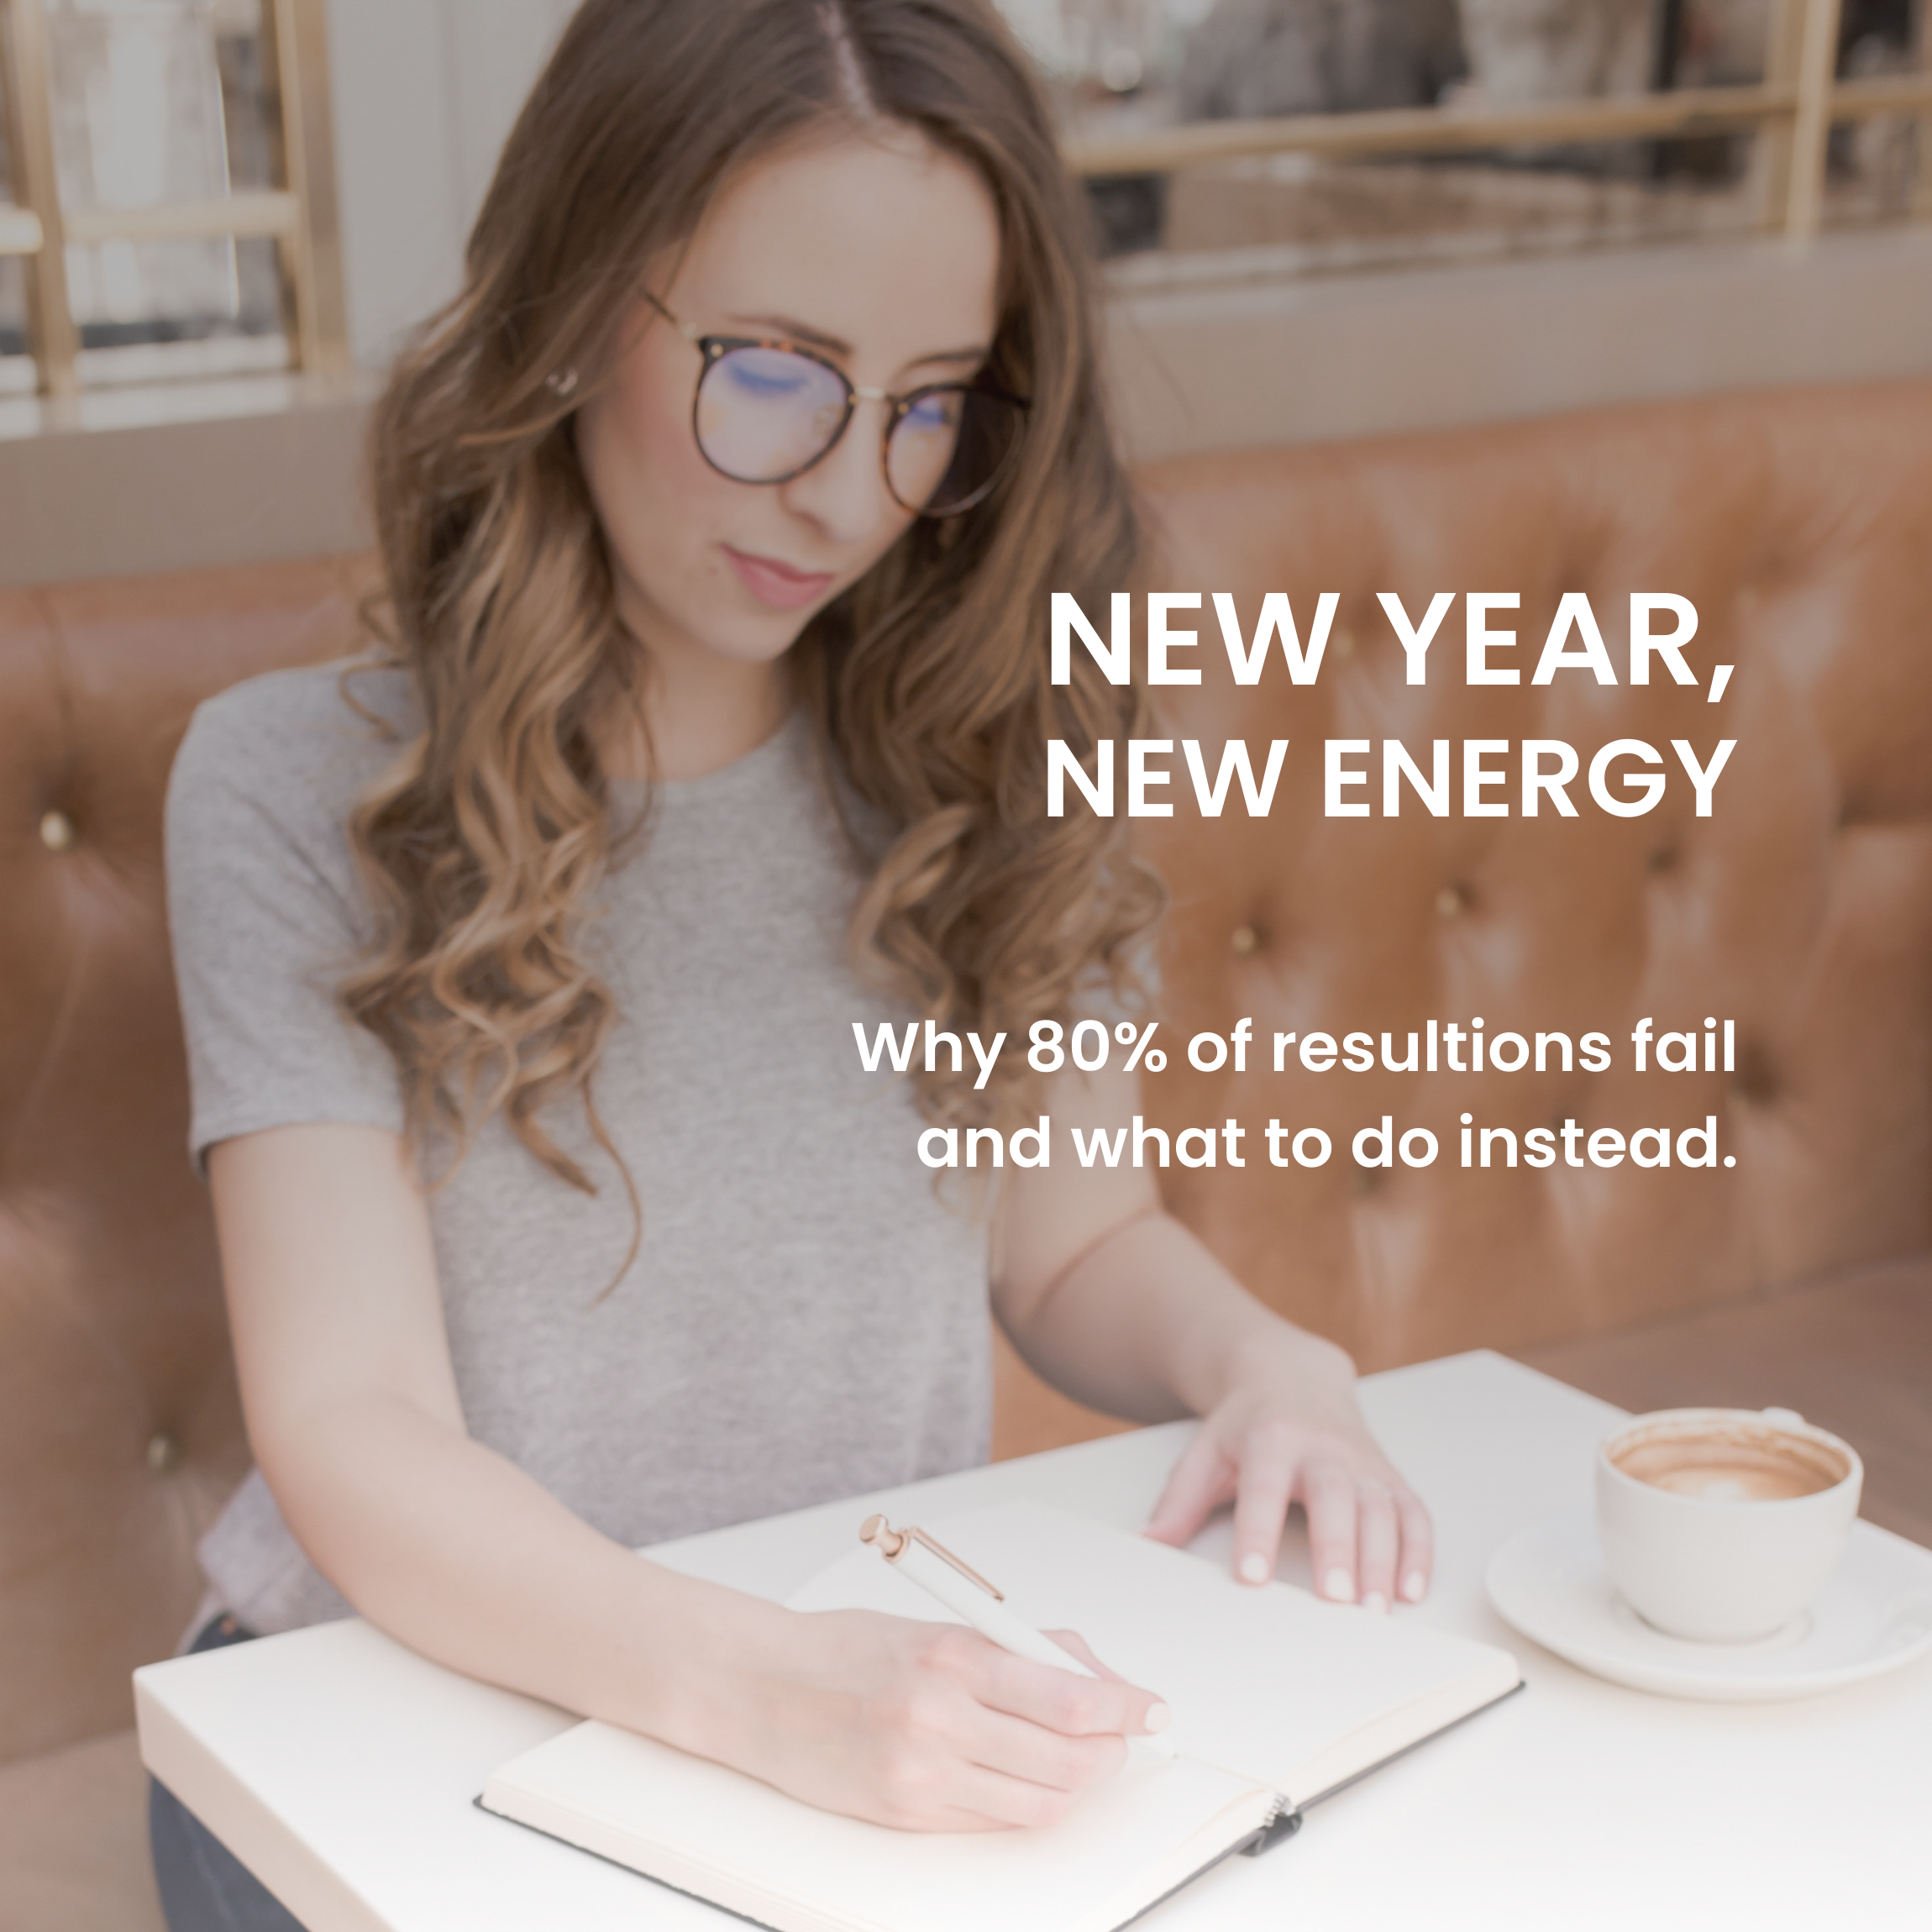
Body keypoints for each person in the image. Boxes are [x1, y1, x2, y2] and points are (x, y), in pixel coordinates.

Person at [153, 1, 1432, 1922]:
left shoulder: (1005, 749)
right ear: (581, 301)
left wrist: (1264, 1358)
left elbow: (1069, 1241)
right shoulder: (289, 785)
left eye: (933, 401)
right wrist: (754, 1688)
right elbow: (350, 1423)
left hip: (835, 1705)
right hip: (376, 1727)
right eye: (776, 374)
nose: (851, 496)